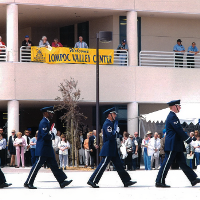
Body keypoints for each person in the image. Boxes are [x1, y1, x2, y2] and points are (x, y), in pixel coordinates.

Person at [24, 106, 72, 189]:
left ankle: (62, 181)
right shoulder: (44, 122)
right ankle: (28, 182)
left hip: (47, 149)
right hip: (43, 149)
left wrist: (51, 132)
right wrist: (53, 134)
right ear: (46, 113)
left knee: (54, 166)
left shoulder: (46, 122)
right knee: (36, 166)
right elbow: (45, 136)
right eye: (50, 113)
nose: (52, 114)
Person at [87, 107, 136, 188]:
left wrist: (115, 129)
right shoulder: (107, 124)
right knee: (103, 165)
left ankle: (126, 181)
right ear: (109, 115)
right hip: (108, 148)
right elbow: (110, 136)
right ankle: (92, 180)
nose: (115, 116)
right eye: (114, 114)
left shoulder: (111, 124)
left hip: (112, 148)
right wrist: (115, 130)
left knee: (119, 165)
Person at [156, 100, 200, 187]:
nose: (180, 107)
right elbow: (179, 130)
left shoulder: (173, 116)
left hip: (176, 144)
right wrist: (189, 140)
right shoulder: (172, 116)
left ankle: (193, 179)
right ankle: (159, 181)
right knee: (167, 163)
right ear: (174, 106)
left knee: (183, 163)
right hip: (172, 144)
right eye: (178, 106)